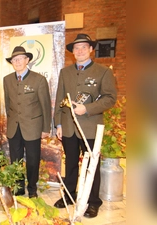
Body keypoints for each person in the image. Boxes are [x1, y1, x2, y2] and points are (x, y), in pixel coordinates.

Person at [53, 33, 117, 218]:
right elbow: (59, 99)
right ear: (72, 52)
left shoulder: (103, 72)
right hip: (68, 126)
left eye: (83, 47)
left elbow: (110, 98)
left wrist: (87, 108)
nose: (79, 50)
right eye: (76, 48)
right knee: (71, 163)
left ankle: (93, 202)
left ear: (91, 49)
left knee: (92, 166)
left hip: (90, 126)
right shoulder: (65, 72)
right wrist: (58, 123)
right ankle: (69, 195)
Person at [3, 46, 51, 198]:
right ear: (11, 62)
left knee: (32, 159)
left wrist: (45, 128)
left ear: (27, 60)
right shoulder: (7, 79)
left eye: (20, 59)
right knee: (15, 159)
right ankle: (18, 186)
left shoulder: (39, 80)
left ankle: (32, 188)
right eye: (14, 59)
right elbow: (8, 103)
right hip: (14, 127)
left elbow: (45, 105)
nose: (17, 62)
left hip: (33, 127)